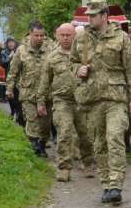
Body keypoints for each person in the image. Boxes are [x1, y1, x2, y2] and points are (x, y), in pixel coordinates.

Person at [72, 0, 131, 205]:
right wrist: (78, 69)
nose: (90, 18)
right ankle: (105, 184)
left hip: (116, 98)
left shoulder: (121, 38)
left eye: (94, 15)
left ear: (104, 16)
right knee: (99, 143)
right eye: (89, 15)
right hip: (92, 99)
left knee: (114, 138)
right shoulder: (82, 38)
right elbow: (72, 62)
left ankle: (116, 185)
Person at [36, 23, 96, 182]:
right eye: (62, 35)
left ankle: (88, 163)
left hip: (83, 101)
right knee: (64, 133)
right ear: (56, 36)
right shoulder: (52, 57)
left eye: (68, 34)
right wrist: (40, 101)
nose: (65, 38)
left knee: (86, 134)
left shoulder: (85, 55)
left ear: (74, 36)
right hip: (62, 100)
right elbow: (44, 81)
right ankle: (64, 168)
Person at [6, 22, 52, 156]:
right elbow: (13, 71)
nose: (39, 38)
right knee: (32, 121)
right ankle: (35, 148)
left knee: (45, 125)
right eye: (36, 35)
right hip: (28, 93)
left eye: (42, 35)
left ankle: (42, 145)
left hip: (46, 94)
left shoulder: (51, 48)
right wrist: (9, 88)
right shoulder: (21, 50)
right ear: (30, 34)